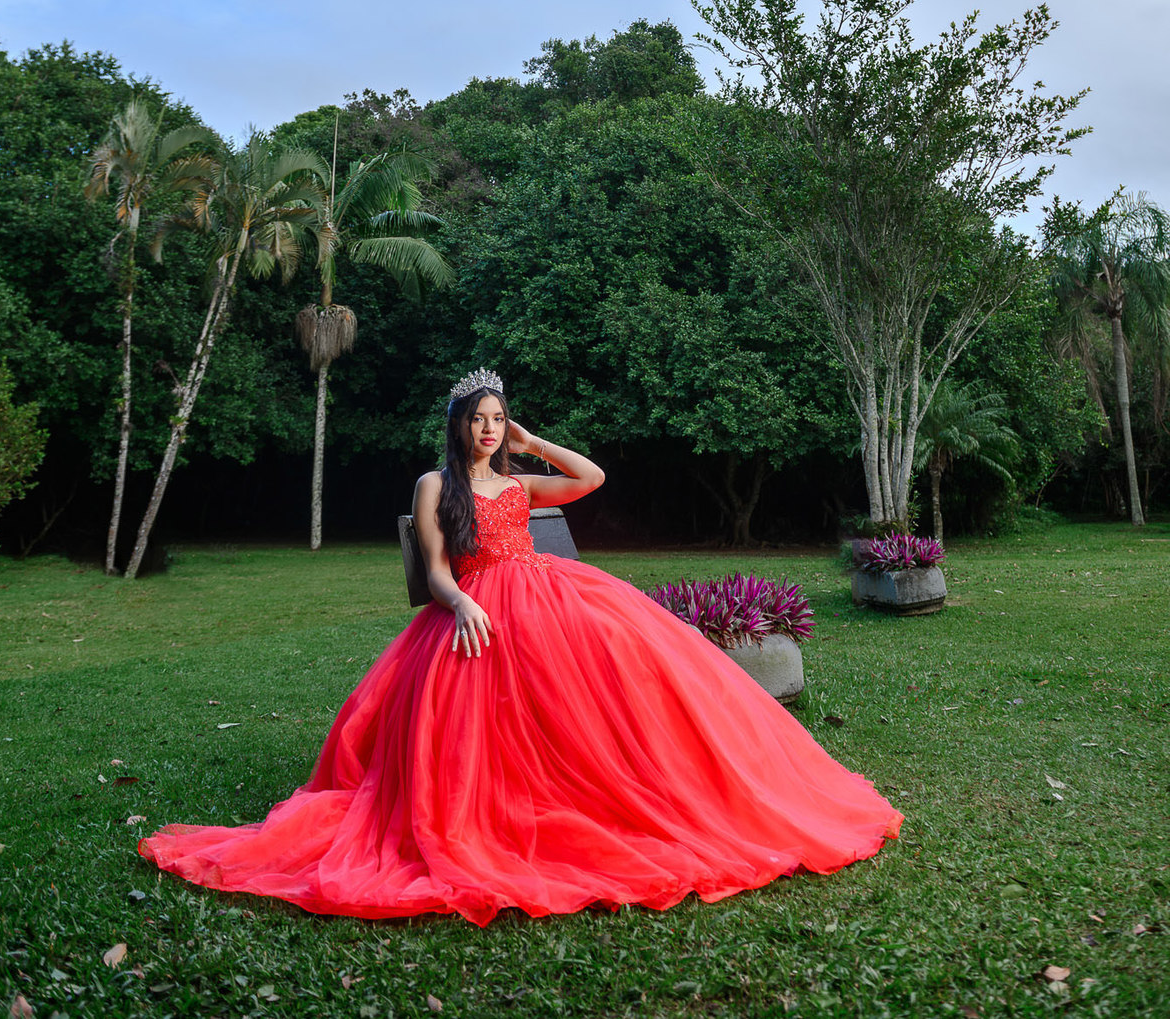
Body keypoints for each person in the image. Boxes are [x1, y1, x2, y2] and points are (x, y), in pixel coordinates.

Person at [139, 370, 902, 923]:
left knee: (619, 669)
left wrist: (536, 442)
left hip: (551, 593)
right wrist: (464, 599)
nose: (488, 429)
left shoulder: (520, 481)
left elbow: (592, 475)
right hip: (477, 603)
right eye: (479, 418)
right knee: (476, 707)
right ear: (458, 424)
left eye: (499, 418)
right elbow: (436, 569)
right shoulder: (435, 485)